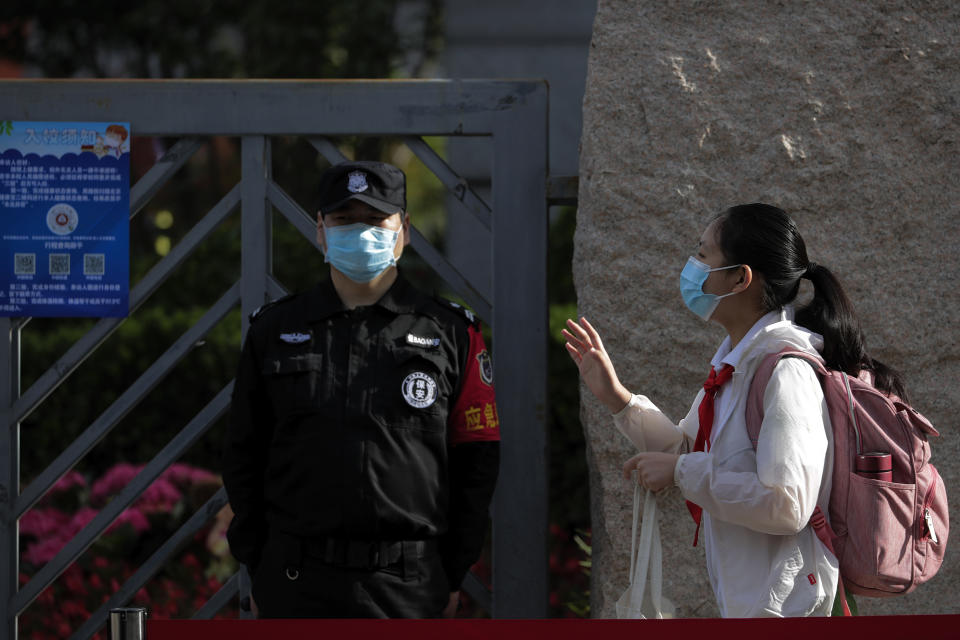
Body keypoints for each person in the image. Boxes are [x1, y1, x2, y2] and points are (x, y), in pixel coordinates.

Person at [563, 203, 908, 617]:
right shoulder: (737, 366)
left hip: (794, 612)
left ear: (741, 277)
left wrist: (679, 472)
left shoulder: (786, 373)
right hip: (758, 608)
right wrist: (616, 395)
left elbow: (786, 504)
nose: (692, 267)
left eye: (704, 255)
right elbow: (686, 450)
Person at [222, 160, 501, 618]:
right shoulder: (274, 330)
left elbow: (478, 460)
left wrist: (451, 570)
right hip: (296, 581)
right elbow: (243, 453)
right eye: (344, 221)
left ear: (404, 229)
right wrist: (259, 561)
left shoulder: (452, 333)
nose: (360, 233)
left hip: (409, 586)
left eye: (375, 221)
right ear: (320, 230)